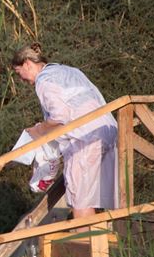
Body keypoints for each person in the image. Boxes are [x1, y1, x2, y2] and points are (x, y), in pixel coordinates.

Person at [11, 43, 117, 218]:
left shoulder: (44, 81)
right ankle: (104, 241)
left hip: (85, 138)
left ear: (27, 63)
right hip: (108, 131)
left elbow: (60, 116)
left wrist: (39, 130)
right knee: (99, 196)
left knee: (80, 199)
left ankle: (88, 242)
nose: (21, 80)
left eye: (18, 73)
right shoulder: (70, 71)